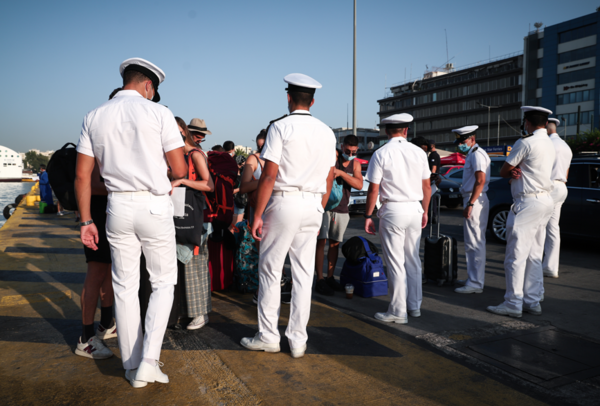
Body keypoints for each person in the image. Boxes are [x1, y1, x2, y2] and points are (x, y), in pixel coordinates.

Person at [75, 57, 188, 388]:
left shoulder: (94, 116)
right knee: (163, 282)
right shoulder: (159, 113)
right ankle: (149, 362)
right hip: (153, 205)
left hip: (116, 206)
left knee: (124, 287)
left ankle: (131, 364)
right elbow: (180, 171)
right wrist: (157, 172)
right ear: (149, 86)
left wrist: (85, 221)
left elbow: (82, 176)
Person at [240, 73, 336, 359]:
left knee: (270, 271)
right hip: (312, 205)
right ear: (313, 100)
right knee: (304, 275)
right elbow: (330, 175)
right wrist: (319, 204)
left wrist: (257, 215)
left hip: (284, 202)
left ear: (288, 97)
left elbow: (269, 175)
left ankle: (268, 336)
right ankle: (298, 340)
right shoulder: (327, 132)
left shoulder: (280, 127)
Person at [488, 106, 555, 318]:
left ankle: (513, 303)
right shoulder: (551, 144)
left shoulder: (525, 142)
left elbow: (504, 169)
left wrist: (514, 171)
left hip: (527, 202)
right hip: (545, 200)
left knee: (515, 256)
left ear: (527, 122)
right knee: (535, 255)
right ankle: (532, 301)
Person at [364, 113, 431, 324]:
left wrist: (367, 215)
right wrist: (425, 211)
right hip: (415, 209)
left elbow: (373, 189)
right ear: (406, 130)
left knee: (395, 263)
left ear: (386, 131)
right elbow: (427, 186)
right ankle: (414, 306)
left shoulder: (381, 153)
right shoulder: (419, 152)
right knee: (412, 259)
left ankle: (398, 311)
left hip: (393, 210)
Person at [74, 88, 122, 360]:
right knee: (95, 273)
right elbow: (89, 181)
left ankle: (106, 323)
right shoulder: (96, 133)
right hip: (98, 212)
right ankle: (84, 337)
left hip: (109, 212)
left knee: (109, 272)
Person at [172, 117, 215, 330]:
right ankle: (187, 311)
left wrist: (182, 181)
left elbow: (209, 185)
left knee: (194, 265)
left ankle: (200, 313)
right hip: (183, 215)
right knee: (183, 265)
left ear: (182, 131)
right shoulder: (179, 154)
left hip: (197, 217)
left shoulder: (195, 154)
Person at [315, 135, 363, 295]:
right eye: (348, 150)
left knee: (335, 244)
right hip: (325, 207)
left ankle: (330, 277)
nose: (350, 153)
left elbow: (359, 184)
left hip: (342, 209)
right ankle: (319, 279)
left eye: (354, 151)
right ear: (342, 147)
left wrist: (341, 174)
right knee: (320, 242)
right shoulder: (332, 158)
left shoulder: (355, 164)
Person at [452, 126, 491, 294]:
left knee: (475, 242)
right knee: (471, 242)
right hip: (473, 198)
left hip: (475, 199)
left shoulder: (477, 154)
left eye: (463, 141)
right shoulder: (473, 153)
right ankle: (473, 278)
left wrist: (471, 204)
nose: (461, 144)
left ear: (472, 139)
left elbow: (480, 181)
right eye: (459, 141)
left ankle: (475, 283)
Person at [542, 118, 572, 279]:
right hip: (562, 186)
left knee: (537, 226)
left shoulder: (547, 144)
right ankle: (551, 267)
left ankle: (532, 265)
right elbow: (566, 172)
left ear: (546, 128)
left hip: (549, 186)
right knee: (553, 228)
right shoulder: (566, 146)